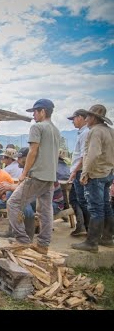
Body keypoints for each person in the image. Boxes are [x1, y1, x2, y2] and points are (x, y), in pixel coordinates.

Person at [7, 99, 60, 255]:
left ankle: (22, 240)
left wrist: (24, 173)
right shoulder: (55, 130)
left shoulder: (37, 127)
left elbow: (33, 151)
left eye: (35, 112)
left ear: (42, 111)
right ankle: (43, 244)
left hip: (37, 175)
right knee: (45, 210)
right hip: (50, 176)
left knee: (13, 203)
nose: (34, 116)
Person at [72, 105, 114, 253]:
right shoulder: (110, 131)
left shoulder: (95, 131)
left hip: (96, 174)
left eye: (88, 116)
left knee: (95, 208)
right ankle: (108, 238)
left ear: (94, 118)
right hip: (108, 172)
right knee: (106, 206)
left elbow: (93, 154)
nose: (86, 119)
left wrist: (85, 173)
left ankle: (92, 242)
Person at [66, 109, 90, 236]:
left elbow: (83, 156)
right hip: (78, 171)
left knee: (83, 201)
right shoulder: (82, 133)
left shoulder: (86, 132)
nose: (73, 122)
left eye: (74, 119)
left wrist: (74, 171)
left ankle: (88, 229)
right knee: (75, 199)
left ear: (80, 117)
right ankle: (81, 226)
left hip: (80, 171)